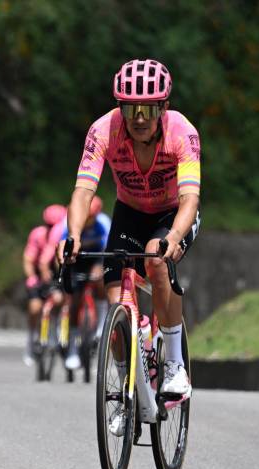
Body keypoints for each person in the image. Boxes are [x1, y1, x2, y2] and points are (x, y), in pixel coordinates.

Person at [58, 59, 201, 408]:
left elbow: (190, 198)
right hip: (129, 213)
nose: (138, 118)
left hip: (172, 213)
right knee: (115, 304)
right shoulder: (103, 130)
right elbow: (83, 192)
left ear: (163, 107)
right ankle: (125, 392)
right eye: (130, 108)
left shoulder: (182, 131)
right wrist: (73, 234)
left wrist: (174, 237)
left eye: (147, 109)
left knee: (156, 260)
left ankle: (174, 364)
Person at [44, 196, 110, 370]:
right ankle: (73, 348)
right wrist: (62, 271)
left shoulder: (103, 223)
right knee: (74, 301)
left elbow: (108, 248)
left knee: (101, 281)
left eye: (92, 217)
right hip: (76, 260)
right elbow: (60, 253)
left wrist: (100, 267)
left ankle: (102, 324)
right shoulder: (68, 225)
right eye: (87, 216)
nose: (89, 220)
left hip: (96, 258)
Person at [22, 204, 67, 366]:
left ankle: (56, 329)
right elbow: (28, 259)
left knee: (60, 300)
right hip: (39, 275)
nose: (51, 228)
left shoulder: (64, 235)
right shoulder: (37, 234)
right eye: (48, 225)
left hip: (55, 272)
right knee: (35, 307)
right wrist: (32, 277)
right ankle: (31, 339)